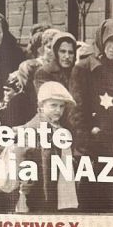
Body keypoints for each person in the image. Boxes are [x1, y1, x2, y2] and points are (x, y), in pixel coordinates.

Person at [70, 18, 113, 213]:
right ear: (101, 40)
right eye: (111, 40)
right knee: (90, 208)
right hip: (92, 153)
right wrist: (86, 148)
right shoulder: (84, 68)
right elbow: (76, 113)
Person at [9, 82, 78, 214]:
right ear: (41, 106)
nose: (58, 110)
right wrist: (25, 190)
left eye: (61, 106)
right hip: (38, 191)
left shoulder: (58, 127)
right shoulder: (34, 128)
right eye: (53, 105)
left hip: (57, 188)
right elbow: (25, 160)